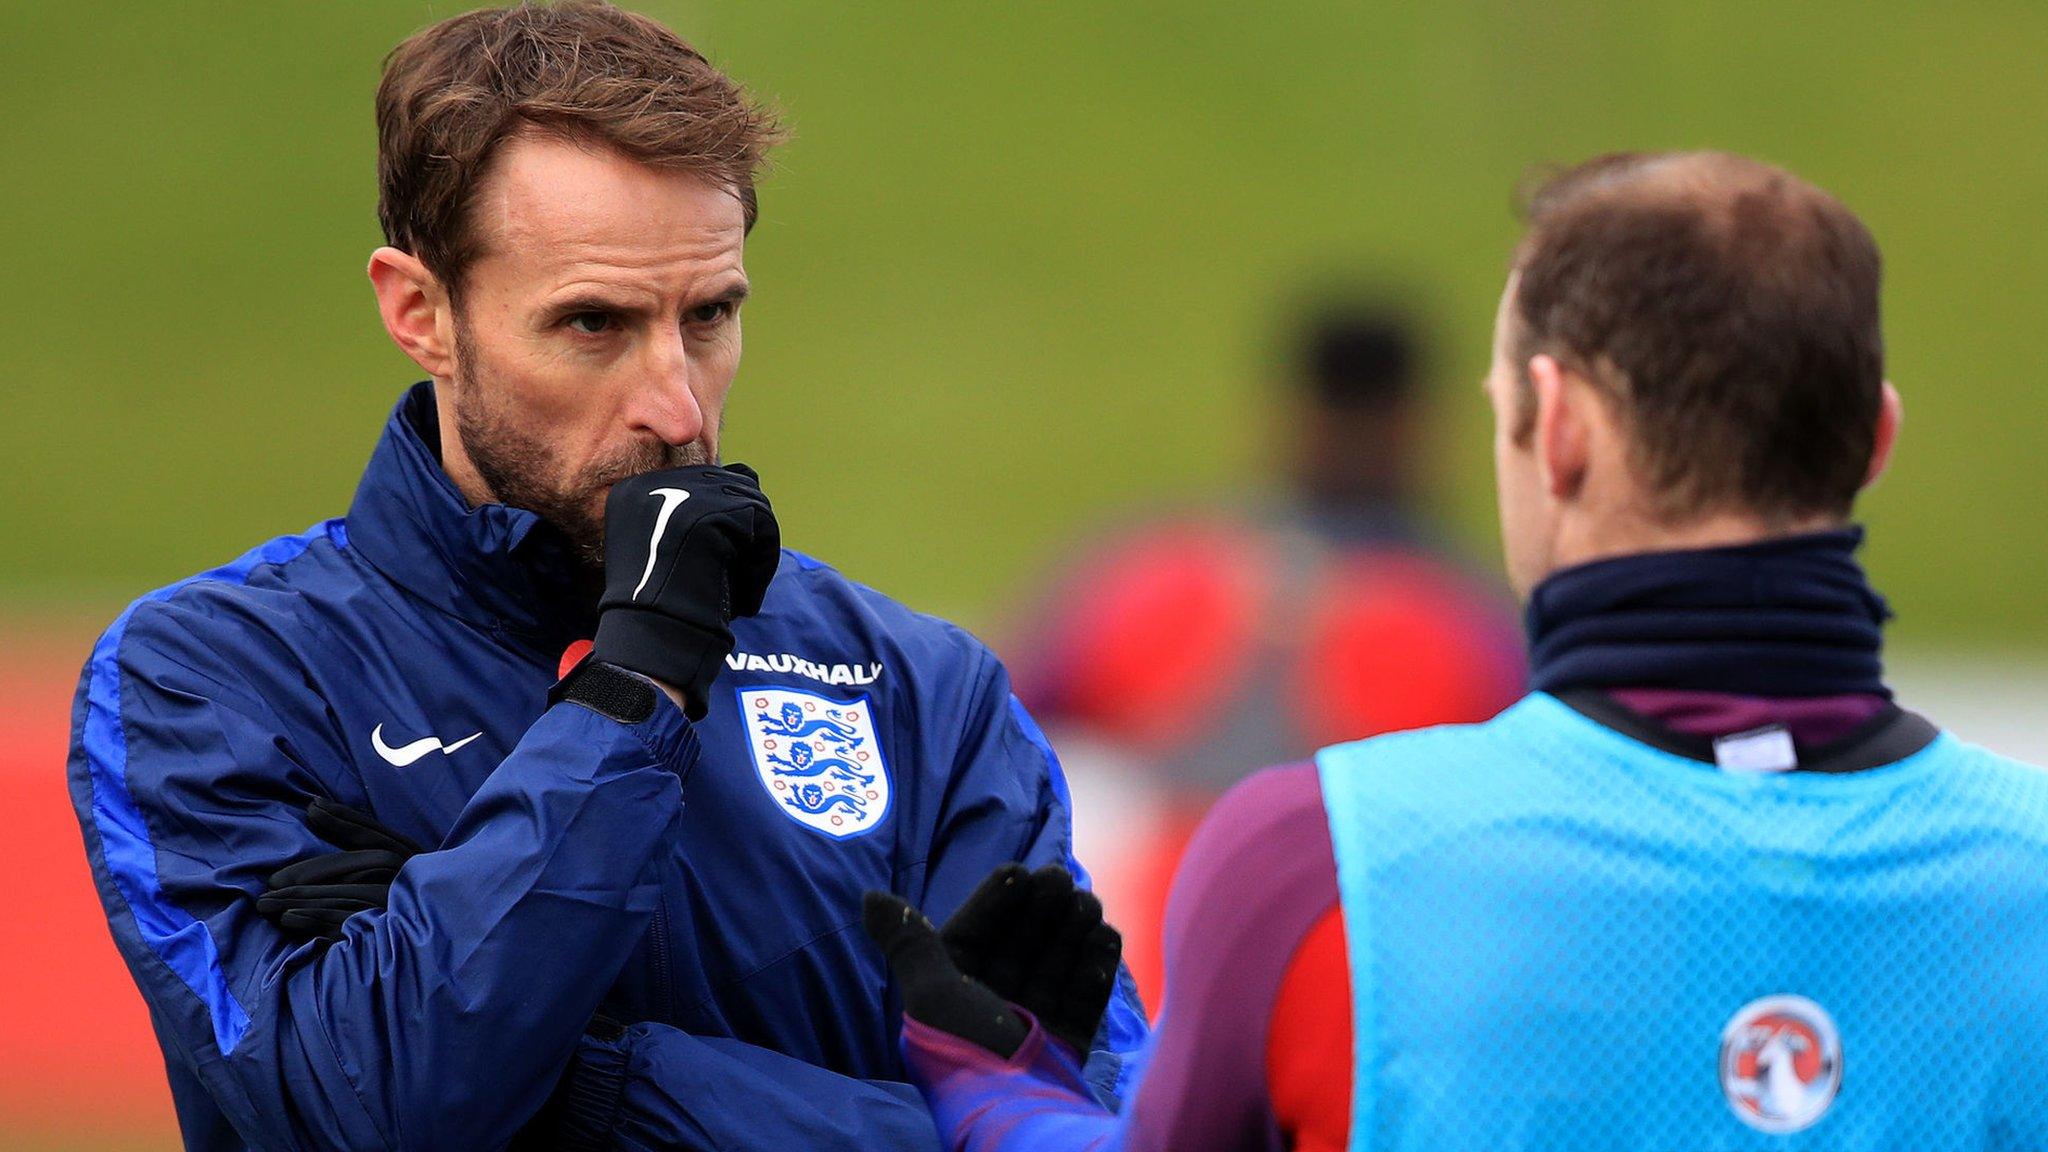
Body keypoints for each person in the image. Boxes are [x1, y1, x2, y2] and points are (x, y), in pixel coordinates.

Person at [64, 4, 1143, 1150]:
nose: (677, 408)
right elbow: (363, 1113)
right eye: (592, 323)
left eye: (710, 314)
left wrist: (581, 1076)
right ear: (420, 311)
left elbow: (1116, 1133)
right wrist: (637, 689)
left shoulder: (914, 689)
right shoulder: (218, 679)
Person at [864, 151, 2048, 1150]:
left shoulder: (1305, 857)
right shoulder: (1454, 626)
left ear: (1560, 428)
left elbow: (985, 724)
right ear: (1874, 438)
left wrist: (997, 1090)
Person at [1005, 299, 1523, 1001]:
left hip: (1162, 1020)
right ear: (1417, 428)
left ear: (1292, 416)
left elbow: (982, 725)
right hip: (1375, 1030)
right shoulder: (1462, 627)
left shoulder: (1160, 578)